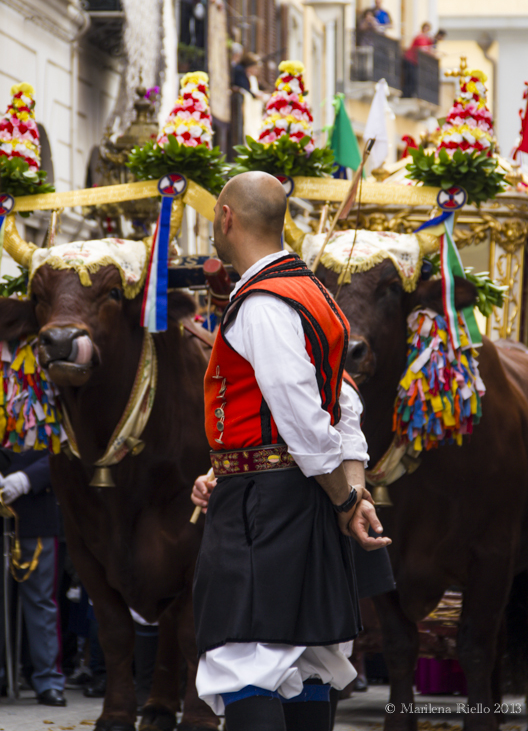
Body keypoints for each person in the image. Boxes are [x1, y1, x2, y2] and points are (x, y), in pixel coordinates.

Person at [191, 171, 391, 731]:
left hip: (265, 509)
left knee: (243, 662)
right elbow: (344, 407)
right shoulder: (316, 294)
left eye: (213, 217)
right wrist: (352, 491)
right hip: (297, 498)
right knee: (305, 663)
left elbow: (303, 421)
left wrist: (349, 499)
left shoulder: (262, 302)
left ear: (227, 217)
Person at [0, 449, 66, 707]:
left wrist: (28, 478)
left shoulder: (48, 405)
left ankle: (48, 680)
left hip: (36, 506)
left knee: (40, 600)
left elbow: (64, 450)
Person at [403, 22, 434, 97]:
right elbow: (421, 48)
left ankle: (412, 93)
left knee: (413, 78)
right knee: (411, 78)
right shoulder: (420, 37)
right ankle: (408, 94)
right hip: (411, 60)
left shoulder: (426, 38)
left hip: (415, 61)